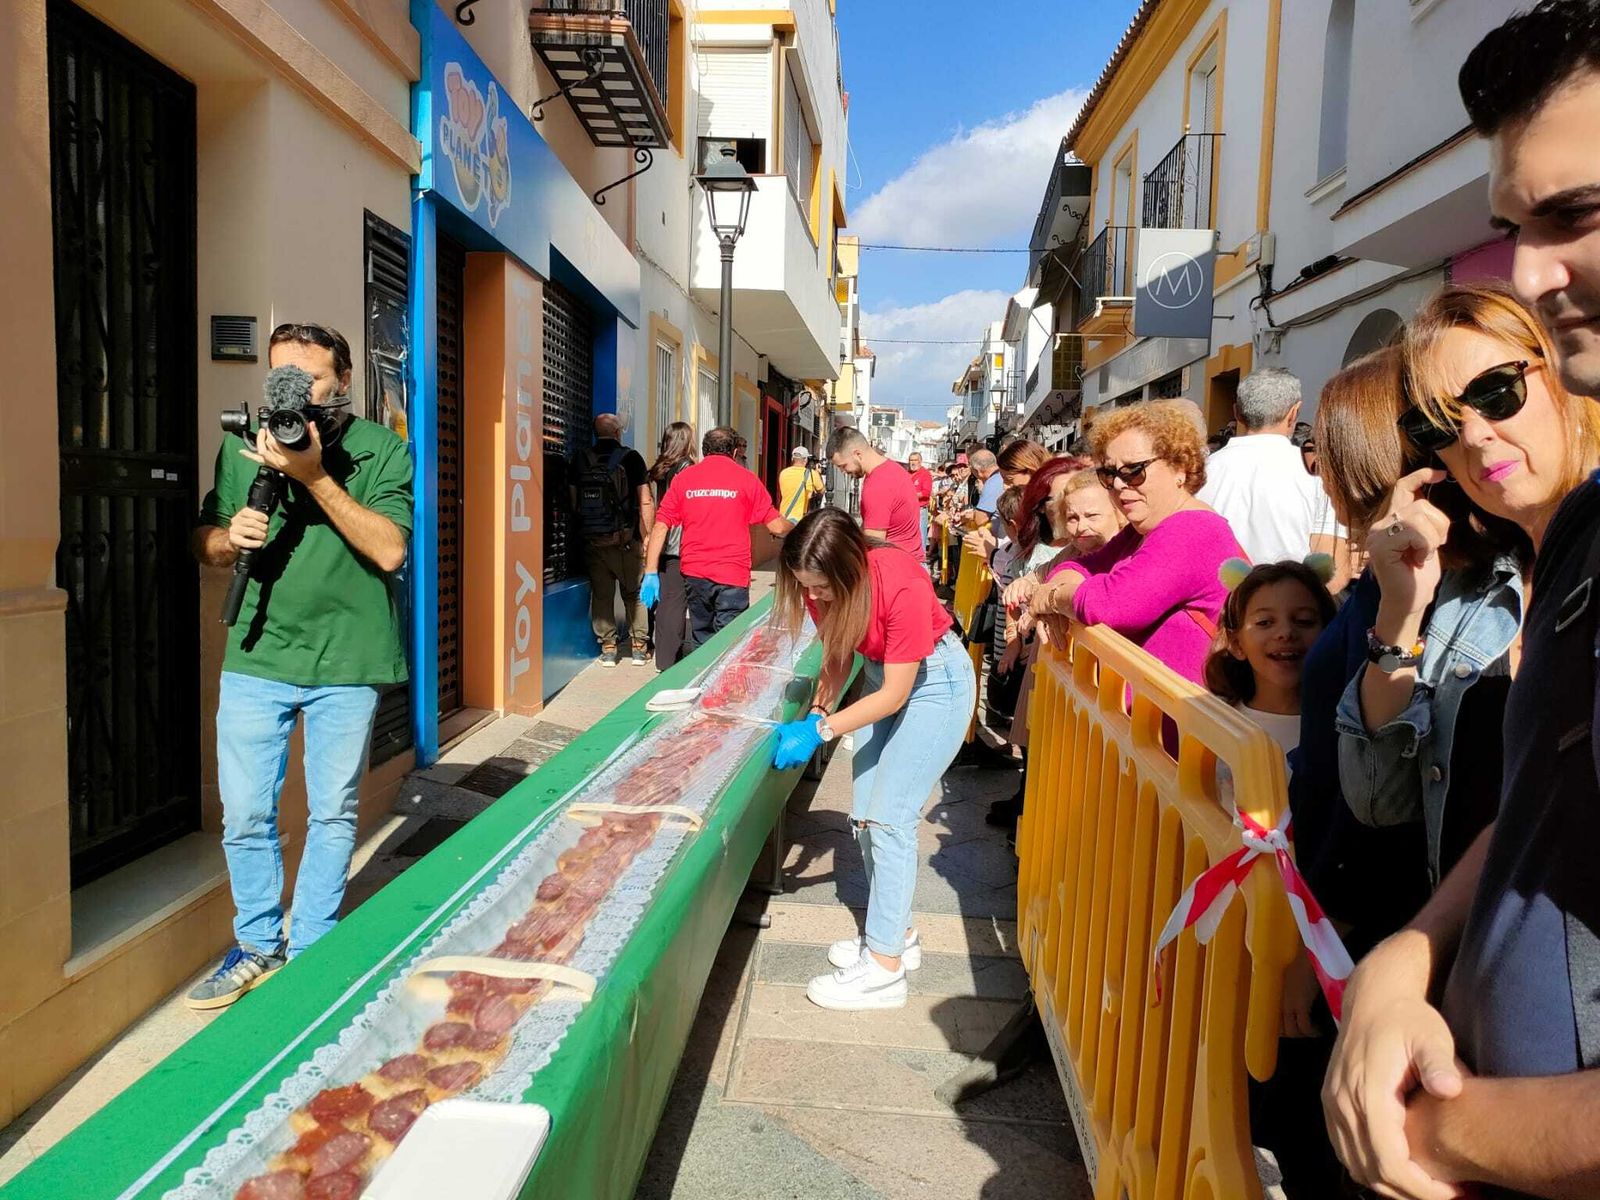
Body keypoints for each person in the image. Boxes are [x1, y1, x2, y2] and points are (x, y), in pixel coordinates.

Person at [1324, 11, 1600, 1197]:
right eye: (1443, 423)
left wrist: (1437, 1136)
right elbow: (1504, 808)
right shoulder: (1534, 560)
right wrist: (1404, 957)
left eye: (1574, 216)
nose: (1533, 273)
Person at [186, 322, 412, 1009]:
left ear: (342, 383)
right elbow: (206, 538)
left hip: (347, 661)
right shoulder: (241, 444)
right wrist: (228, 540)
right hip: (257, 654)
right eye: (280, 375)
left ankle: (313, 946)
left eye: (309, 379)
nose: (292, 391)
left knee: (333, 810)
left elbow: (390, 551)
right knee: (248, 811)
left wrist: (312, 476)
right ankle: (257, 944)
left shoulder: (379, 450)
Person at [768, 508, 976, 1010]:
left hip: (935, 684)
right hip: (883, 679)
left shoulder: (899, 578)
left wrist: (821, 730)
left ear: (849, 568)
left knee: (889, 819)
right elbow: (839, 653)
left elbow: (898, 693)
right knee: (863, 814)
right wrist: (819, 706)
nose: (813, 598)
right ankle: (897, 934)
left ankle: (885, 970)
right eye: (806, 588)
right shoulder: (822, 588)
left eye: (821, 588)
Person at [1027, 401, 1244, 685]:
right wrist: (1059, 591)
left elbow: (1112, 603)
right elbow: (1079, 567)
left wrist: (1052, 599)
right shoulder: (1142, 529)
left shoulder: (1194, 529)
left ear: (1180, 467)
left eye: (1134, 470)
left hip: (1182, 723)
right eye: (1109, 473)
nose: (1118, 484)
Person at [1198, 368, 1350, 589]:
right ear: (1294, 414)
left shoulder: (1201, 472)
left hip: (1215, 612)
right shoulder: (1317, 474)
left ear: (1237, 413)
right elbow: (1332, 572)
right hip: (1291, 611)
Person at [642, 426, 793, 648]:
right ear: (733, 453)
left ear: (704, 451)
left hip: (695, 574)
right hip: (732, 575)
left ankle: (702, 677)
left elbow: (661, 526)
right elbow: (777, 527)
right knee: (730, 641)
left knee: (702, 637)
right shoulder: (747, 480)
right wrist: (798, 527)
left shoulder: (685, 479)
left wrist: (650, 572)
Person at [1204, 560, 1336, 762]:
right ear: (1237, 644)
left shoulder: (1346, 728)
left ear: (1329, 633)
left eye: (1304, 621)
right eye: (1264, 622)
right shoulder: (1212, 722)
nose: (1286, 633)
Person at [571, 413, 654, 667]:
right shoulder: (631, 458)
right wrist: (648, 535)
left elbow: (574, 502)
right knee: (634, 593)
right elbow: (645, 500)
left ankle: (608, 649)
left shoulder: (580, 459)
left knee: (602, 594)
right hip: (626, 541)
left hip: (594, 542)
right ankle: (639, 648)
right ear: (618, 433)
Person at [647, 421, 697, 672]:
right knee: (676, 603)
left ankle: (662, 656)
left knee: (666, 601)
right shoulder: (687, 469)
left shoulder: (659, 469)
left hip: (663, 538)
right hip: (681, 541)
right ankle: (669, 660)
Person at [826, 425, 923, 555]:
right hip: (908, 560)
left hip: (893, 565)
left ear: (857, 454)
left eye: (843, 466)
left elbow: (874, 542)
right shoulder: (893, 469)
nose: (843, 471)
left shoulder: (877, 485)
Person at [777, 445, 824, 522]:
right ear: (805, 460)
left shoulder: (783, 473)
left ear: (793, 459)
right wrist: (818, 474)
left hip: (784, 516)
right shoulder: (812, 474)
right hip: (801, 518)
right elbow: (822, 490)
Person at [908, 451, 934, 551]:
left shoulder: (925, 474)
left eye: (915, 460)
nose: (913, 463)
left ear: (920, 461)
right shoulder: (907, 473)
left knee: (921, 536)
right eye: (911, 460)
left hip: (920, 510)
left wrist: (910, 495)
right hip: (908, 509)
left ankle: (921, 563)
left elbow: (926, 493)